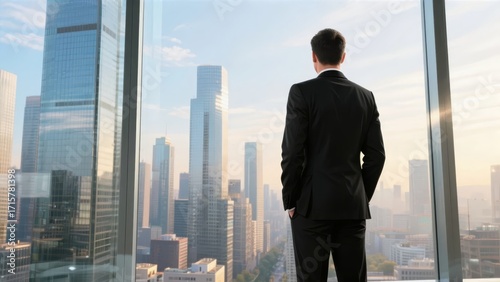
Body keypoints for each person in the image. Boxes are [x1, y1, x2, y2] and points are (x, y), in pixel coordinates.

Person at [281, 28, 385, 282]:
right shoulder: (365, 97)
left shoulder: (301, 92)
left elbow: (292, 152)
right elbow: (377, 156)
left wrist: (291, 201)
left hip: (311, 207)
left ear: (313, 56)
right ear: (343, 57)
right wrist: (359, 195)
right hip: (352, 207)